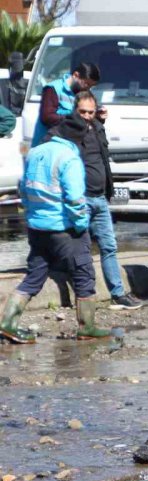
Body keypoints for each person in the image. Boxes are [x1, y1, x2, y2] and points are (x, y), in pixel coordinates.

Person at [0, 114, 111, 343]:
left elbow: (24, 190)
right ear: (78, 139)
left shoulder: (35, 152)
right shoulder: (69, 157)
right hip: (64, 229)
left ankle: (8, 323)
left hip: (37, 228)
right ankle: (87, 327)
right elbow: (74, 199)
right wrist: (81, 225)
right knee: (83, 273)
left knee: (35, 274)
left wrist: (32, 217)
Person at [70, 91, 142, 309]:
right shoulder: (67, 131)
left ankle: (117, 294)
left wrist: (100, 121)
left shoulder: (97, 127)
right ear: (75, 110)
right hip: (80, 199)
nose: (86, 115)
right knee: (79, 249)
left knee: (109, 246)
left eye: (90, 112)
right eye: (82, 111)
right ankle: (84, 295)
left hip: (100, 197)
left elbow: (103, 158)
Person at [31, 62, 100, 147]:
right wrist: (74, 119)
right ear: (75, 75)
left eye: (91, 86)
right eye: (87, 83)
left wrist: (99, 116)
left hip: (71, 145)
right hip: (48, 145)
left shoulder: (84, 92)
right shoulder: (53, 88)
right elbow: (47, 117)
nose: (88, 88)